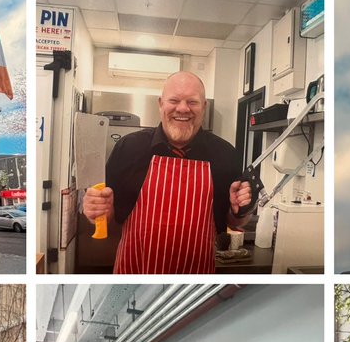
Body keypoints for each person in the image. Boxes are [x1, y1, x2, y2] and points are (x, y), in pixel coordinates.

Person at [81, 70, 254, 273]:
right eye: (174, 100)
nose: (182, 109)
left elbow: (233, 222)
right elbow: (105, 213)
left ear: (204, 106)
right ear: (160, 103)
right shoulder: (129, 148)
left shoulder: (225, 155)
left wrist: (241, 210)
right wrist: (95, 210)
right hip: (135, 269)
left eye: (192, 102)